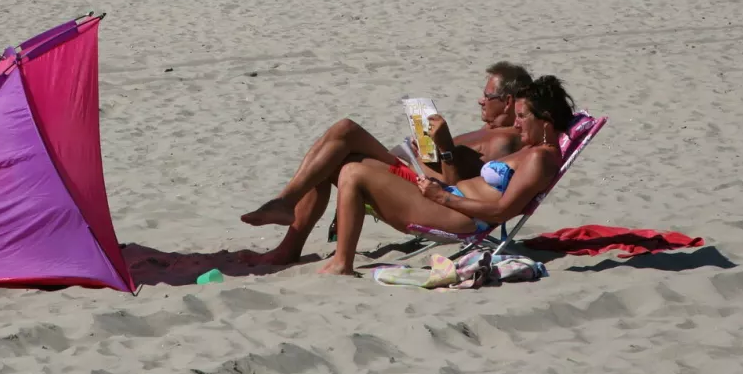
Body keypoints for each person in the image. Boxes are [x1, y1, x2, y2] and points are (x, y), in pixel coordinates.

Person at [239, 63, 534, 265]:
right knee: (337, 142)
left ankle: (287, 217)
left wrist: (443, 145)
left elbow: (456, 188)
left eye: (487, 96)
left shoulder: (504, 142)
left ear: (507, 101)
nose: (481, 101)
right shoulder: (492, 133)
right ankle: (287, 224)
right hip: (415, 171)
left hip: (421, 189)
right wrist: (426, 145)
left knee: (345, 132)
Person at [317, 75, 577, 276]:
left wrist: (441, 197)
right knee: (348, 161)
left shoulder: (539, 159)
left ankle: (342, 263)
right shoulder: (533, 150)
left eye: (522, 117)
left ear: (546, 120)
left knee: (353, 172)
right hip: (450, 199)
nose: (516, 123)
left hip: (459, 216)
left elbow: (500, 211)